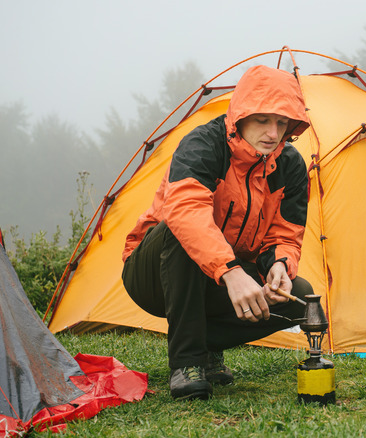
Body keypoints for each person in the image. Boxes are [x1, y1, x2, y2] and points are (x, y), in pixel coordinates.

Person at [121, 65, 313, 400]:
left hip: (218, 275)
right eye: (264, 119)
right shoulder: (203, 144)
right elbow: (185, 211)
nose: (273, 132)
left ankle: (204, 343)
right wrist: (231, 271)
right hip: (154, 274)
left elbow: (285, 233)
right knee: (180, 232)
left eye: (283, 123)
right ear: (241, 115)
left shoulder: (290, 165)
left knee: (299, 297)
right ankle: (188, 362)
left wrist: (278, 267)